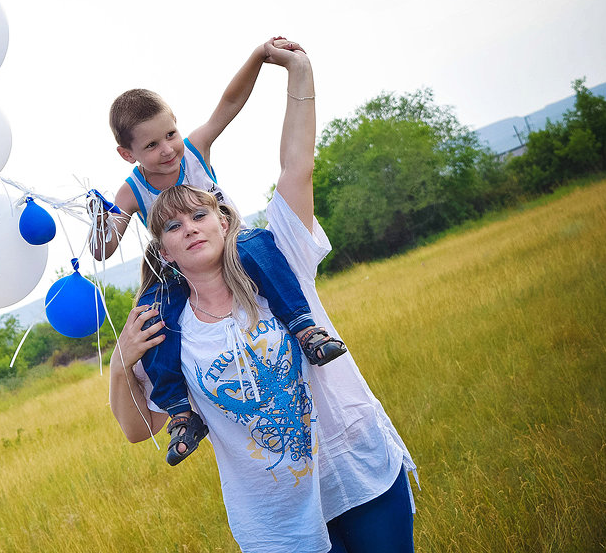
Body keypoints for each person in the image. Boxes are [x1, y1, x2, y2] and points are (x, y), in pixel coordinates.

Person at [108, 46, 416, 553]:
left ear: (224, 219)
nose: (188, 228)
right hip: (278, 521)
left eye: (200, 216)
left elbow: (297, 163)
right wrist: (121, 363)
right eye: (172, 224)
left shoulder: (277, 257)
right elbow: (139, 431)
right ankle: (190, 418)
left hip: (355, 470)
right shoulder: (168, 324)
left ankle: (309, 332)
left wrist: (297, 70)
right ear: (159, 246)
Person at [90, 38, 345, 465]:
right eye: (151, 146)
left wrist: (260, 56)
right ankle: (180, 412)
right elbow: (105, 247)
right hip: (178, 272)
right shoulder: (130, 191)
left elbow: (229, 102)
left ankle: (306, 330)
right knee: (153, 317)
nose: (167, 149)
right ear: (126, 153)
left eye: (169, 134)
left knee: (257, 243)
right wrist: (100, 221)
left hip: (234, 247)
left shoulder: (194, 150)